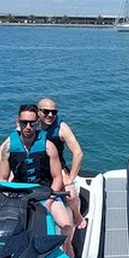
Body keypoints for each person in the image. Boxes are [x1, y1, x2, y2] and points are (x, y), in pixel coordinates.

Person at [0, 104, 74, 257]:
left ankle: (67, 246)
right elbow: (2, 178)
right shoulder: (8, 148)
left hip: (45, 191)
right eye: (24, 122)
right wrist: (3, 198)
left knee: (65, 224)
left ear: (37, 124)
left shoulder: (48, 146)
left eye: (32, 123)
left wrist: (50, 199)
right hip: (19, 193)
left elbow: (58, 177)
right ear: (17, 122)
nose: (28, 127)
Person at [37, 97, 86, 230]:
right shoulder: (31, 126)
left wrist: (70, 178)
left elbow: (78, 152)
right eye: (46, 112)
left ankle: (77, 215)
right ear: (38, 112)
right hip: (37, 168)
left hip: (58, 168)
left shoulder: (61, 128)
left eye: (54, 112)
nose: (50, 115)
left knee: (71, 195)